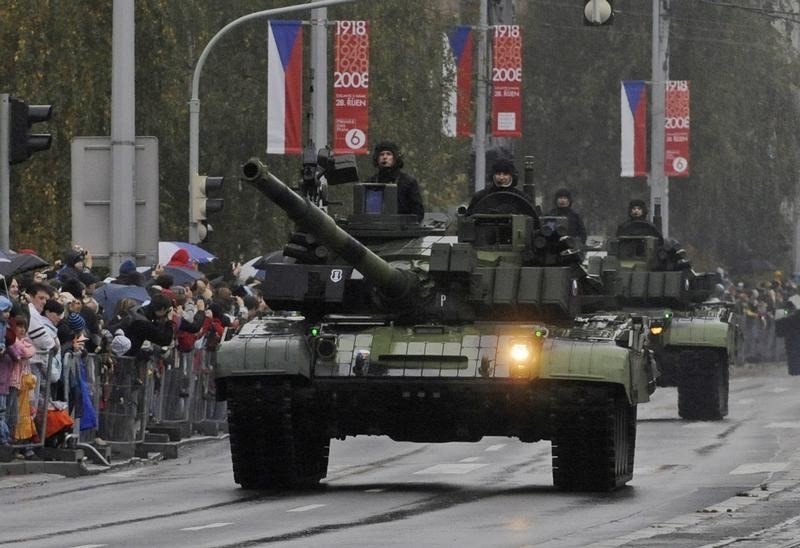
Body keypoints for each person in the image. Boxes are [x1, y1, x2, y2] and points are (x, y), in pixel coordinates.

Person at [366, 141, 424, 221]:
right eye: (381, 154)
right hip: (375, 227)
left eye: (388, 154)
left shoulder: (408, 182)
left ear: (395, 158)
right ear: (377, 158)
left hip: (401, 229)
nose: (385, 157)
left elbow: (418, 213)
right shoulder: (370, 182)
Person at [467, 158, 531, 213]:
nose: (501, 177)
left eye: (505, 174)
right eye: (498, 173)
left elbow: (534, 223)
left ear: (512, 176)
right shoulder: (479, 197)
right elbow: (467, 221)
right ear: (493, 175)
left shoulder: (522, 200)